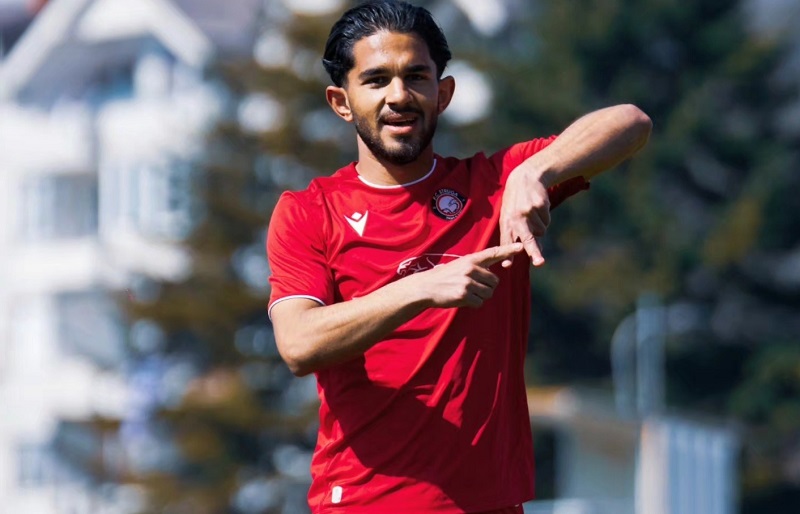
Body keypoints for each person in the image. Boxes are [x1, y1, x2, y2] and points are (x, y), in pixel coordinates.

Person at [266, 1, 651, 512]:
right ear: (342, 101)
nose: (398, 96)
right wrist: (422, 287)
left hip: (490, 503)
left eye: (416, 77)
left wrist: (535, 171)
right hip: (364, 502)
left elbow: (631, 122)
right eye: (376, 80)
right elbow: (298, 343)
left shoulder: (493, 186)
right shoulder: (309, 211)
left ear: (443, 93)